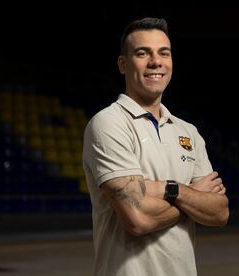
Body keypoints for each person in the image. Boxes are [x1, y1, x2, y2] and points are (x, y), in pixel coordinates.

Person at [82, 17, 229, 276]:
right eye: (142, 53)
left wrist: (168, 189)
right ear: (122, 64)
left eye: (164, 53)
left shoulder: (188, 132)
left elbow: (219, 212)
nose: (156, 62)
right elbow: (138, 220)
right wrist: (193, 195)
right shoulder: (108, 123)